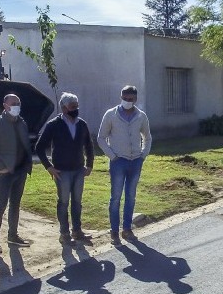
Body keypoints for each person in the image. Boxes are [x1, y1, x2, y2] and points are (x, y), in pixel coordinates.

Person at [34, 92, 95, 245]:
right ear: (64, 108)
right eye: (72, 107)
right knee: (63, 202)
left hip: (78, 169)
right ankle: (64, 233)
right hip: (62, 171)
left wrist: (89, 164)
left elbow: (89, 145)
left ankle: (77, 230)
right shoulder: (53, 125)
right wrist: (49, 167)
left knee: (77, 201)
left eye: (77, 106)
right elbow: (39, 147)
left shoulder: (82, 124)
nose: (76, 109)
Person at [97, 85, 152, 245]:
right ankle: (114, 230)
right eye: (124, 98)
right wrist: (112, 156)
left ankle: (127, 229)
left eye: (130, 99)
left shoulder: (141, 116)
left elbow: (147, 137)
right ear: (121, 97)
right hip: (118, 161)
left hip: (135, 161)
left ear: (135, 99)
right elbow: (101, 137)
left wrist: (143, 154)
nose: (127, 101)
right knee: (115, 197)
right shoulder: (111, 115)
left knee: (131, 196)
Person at [0, 93, 33, 253]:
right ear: (5, 105)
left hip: (21, 170)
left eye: (18, 103)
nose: (17, 105)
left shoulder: (21, 122)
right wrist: (0, 167)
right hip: (5, 172)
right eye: (13, 103)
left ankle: (13, 235)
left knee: (15, 204)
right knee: (1, 205)